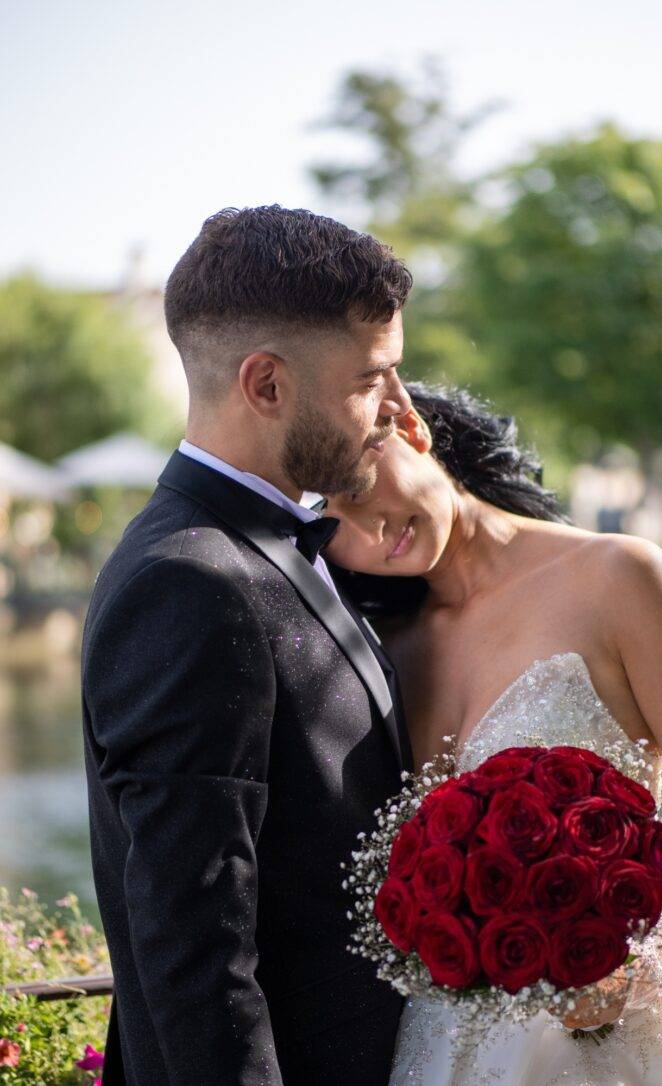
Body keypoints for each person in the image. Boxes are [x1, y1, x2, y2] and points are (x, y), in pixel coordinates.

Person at [324, 383, 662, 1085]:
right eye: (330, 522)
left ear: (408, 427)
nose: (368, 531)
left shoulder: (619, 578)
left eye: (358, 487)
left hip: (628, 1045)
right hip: (438, 1053)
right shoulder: (383, 654)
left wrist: (636, 975)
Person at [81, 205, 415, 1085]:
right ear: (266, 385)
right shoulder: (190, 584)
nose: (398, 408)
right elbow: (197, 948)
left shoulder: (264, 544)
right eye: (372, 378)